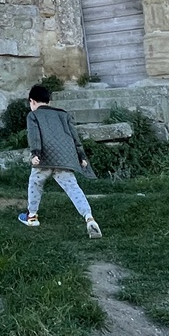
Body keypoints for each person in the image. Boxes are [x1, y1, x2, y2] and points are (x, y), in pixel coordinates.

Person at [18, 83, 103, 238]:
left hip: (45, 156)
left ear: (32, 101)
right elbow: (74, 137)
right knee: (73, 188)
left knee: (35, 183)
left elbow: (34, 135)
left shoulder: (33, 115)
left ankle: (32, 217)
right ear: (48, 101)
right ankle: (89, 218)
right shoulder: (63, 114)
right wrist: (81, 157)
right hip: (65, 156)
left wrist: (35, 153)